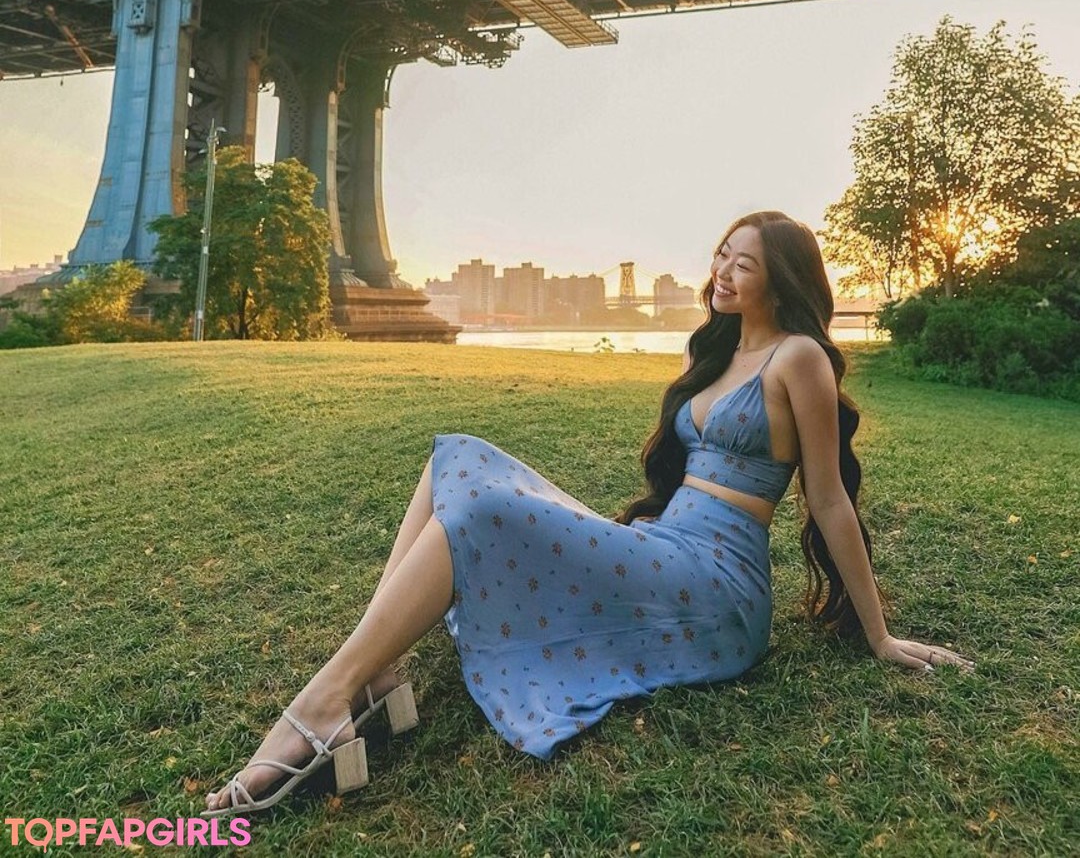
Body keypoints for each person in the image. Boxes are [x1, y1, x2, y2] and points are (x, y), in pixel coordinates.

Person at [203, 210, 974, 816]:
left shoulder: (797, 358)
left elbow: (828, 498)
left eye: (745, 264)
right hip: (665, 545)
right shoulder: (712, 353)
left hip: (718, 590)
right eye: (722, 255)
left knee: (484, 515)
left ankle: (325, 703)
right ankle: (377, 670)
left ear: (782, 280)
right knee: (455, 458)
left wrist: (878, 636)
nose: (723, 271)